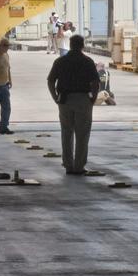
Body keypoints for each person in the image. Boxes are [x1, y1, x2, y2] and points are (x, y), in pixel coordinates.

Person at [47, 34, 101, 175]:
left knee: (67, 132)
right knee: (82, 134)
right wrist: (93, 99)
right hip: (83, 99)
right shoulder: (88, 61)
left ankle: (68, 165)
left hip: (65, 100)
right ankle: (79, 166)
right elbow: (95, 82)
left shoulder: (60, 61)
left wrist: (55, 97)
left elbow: (51, 80)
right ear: (82, 45)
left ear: (70, 45)